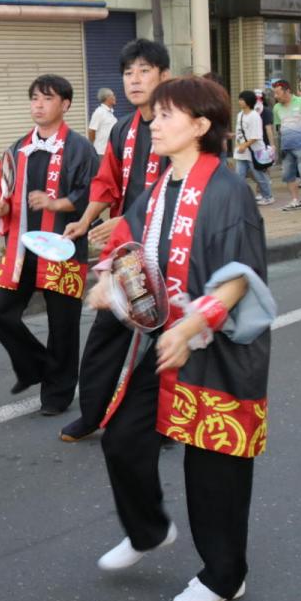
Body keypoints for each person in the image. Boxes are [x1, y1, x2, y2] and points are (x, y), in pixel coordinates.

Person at [88, 75, 273, 601]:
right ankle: (147, 530)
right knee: (123, 439)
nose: (155, 122)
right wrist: (108, 281)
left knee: (214, 466)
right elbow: (129, 244)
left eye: (168, 114)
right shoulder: (160, 186)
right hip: (165, 340)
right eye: (157, 113)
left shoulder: (228, 190)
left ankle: (225, 576)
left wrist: (190, 328)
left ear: (200, 125)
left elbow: (239, 278)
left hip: (218, 348)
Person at [58, 39, 170, 442]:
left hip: (171, 250)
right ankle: (92, 415)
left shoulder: (178, 123)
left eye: (144, 71)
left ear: (164, 76)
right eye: (128, 73)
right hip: (129, 253)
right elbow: (107, 182)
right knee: (107, 331)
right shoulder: (123, 128)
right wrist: (85, 220)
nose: (134, 80)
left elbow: (180, 187)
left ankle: (167, 420)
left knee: (167, 338)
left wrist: (125, 219)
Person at [0, 75, 97, 412]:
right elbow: (0, 185)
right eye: (34, 98)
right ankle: (35, 365)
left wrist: (57, 203)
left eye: (47, 98)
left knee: (62, 326)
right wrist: (0, 206)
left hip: (63, 247)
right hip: (21, 249)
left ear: (65, 104)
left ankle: (57, 395)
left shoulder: (80, 148)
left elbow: (95, 192)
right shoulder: (17, 148)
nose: (39, 105)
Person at [272, 80, 301, 212]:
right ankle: (295, 200)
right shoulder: (276, 108)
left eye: (278, 93)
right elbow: (279, 125)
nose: (275, 96)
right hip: (286, 145)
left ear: (287, 91)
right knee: (288, 174)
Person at [234, 91, 274, 205]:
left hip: (254, 151)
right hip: (242, 151)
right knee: (239, 177)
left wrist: (244, 145)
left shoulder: (254, 116)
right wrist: (238, 144)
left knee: (259, 176)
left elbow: (255, 136)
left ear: (249, 101)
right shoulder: (240, 115)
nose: (240, 101)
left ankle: (268, 196)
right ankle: (240, 198)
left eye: (242, 99)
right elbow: (240, 132)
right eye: (239, 99)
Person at [87, 87, 118, 155]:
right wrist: (92, 147)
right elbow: (91, 130)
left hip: (110, 151)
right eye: (113, 95)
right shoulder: (99, 112)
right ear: (107, 97)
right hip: (101, 152)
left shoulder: (110, 113)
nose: (115, 97)